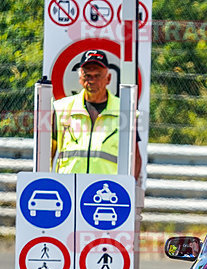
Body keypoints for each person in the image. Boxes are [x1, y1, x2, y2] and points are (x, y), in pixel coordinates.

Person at [51, 50, 141, 178]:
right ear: (80, 79)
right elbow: (48, 153)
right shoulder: (62, 109)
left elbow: (135, 158)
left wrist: (128, 190)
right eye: (87, 76)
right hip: (68, 190)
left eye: (97, 76)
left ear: (108, 79)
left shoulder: (125, 111)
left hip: (107, 188)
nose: (91, 81)